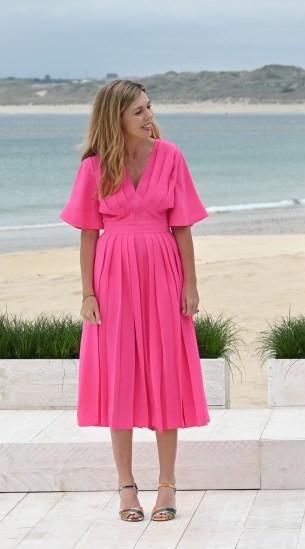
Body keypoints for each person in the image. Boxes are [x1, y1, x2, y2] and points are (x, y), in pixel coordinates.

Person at [60, 80, 208, 523]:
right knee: (118, 375)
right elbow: (89, 234)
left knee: (166, 372)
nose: (149, 117)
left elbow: (182, 226)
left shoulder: (171, 156)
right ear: (116, 118)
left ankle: (167, 483)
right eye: (138, 111)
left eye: (149, 107)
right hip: (112, 275)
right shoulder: (93, 167)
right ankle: (126, 485)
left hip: (163, 273)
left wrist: (190, 284)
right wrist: (87, 292)